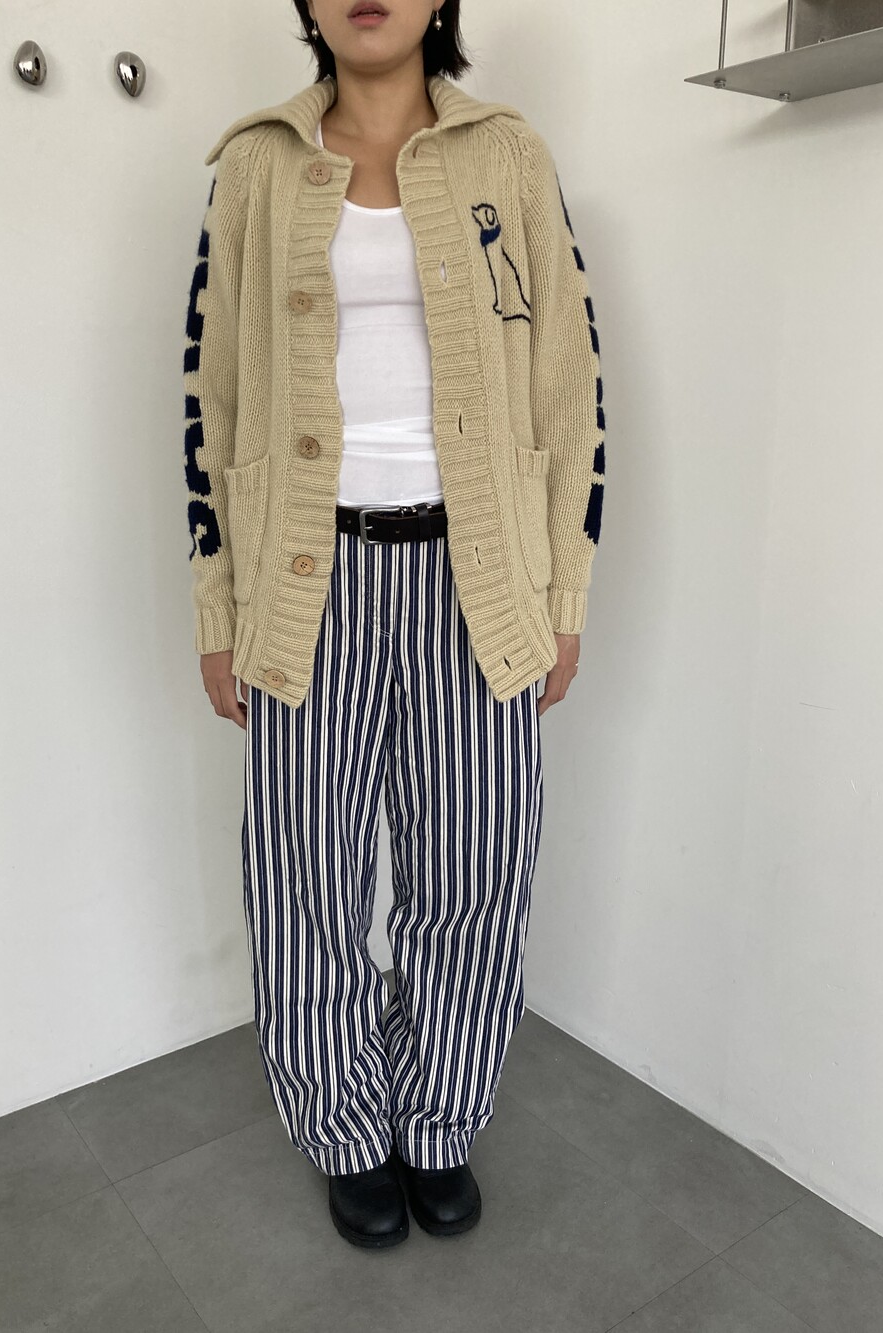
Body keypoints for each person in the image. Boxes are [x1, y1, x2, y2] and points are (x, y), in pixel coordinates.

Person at [183, 0, 605, 1250]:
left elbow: (570, 385)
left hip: (481, 577)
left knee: (474, 872)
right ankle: (345, 1128)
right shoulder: (254, 165)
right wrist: (217, 605)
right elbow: (210, 395)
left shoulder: (508, 156)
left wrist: (562, 596)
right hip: (302, 581)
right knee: (304, 878)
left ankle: (439, 1117)